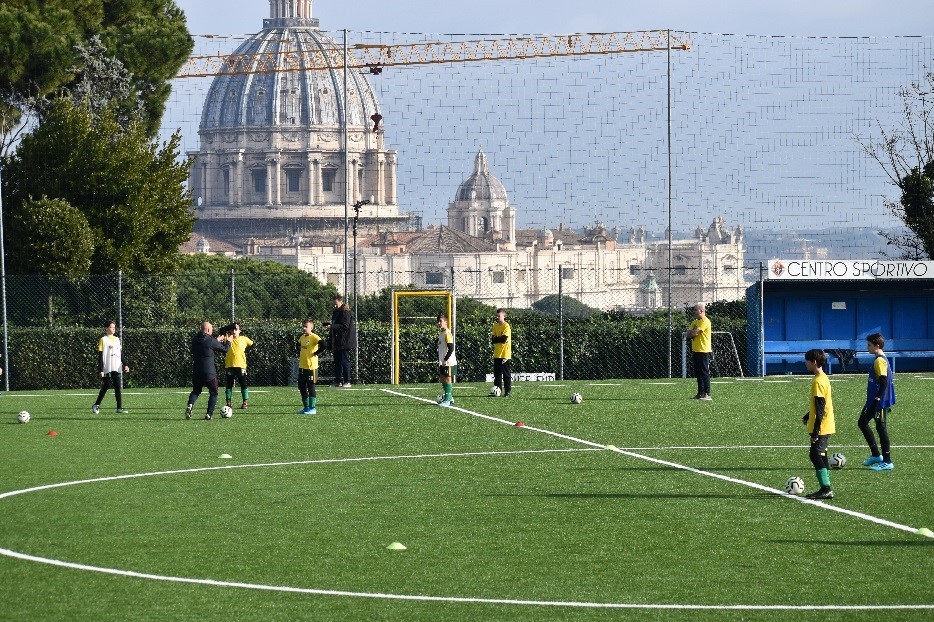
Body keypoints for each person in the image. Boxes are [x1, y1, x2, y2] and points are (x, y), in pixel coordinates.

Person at [801, 348, 835, 500]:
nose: (806, 364)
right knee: (822, 454)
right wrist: (809, 415)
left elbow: (820, 408)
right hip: (826, 424)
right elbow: (821, 404)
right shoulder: (823, 378)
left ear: (814, 362)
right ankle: (826, 486)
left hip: (821, 427)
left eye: (807, 361)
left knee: (815, 455)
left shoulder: (818, 381)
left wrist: (815, 432)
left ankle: (826, 488)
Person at [859, 332, 896, 471]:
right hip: (874, 400)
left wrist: (878, 398)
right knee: (862, 423)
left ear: (877, 345)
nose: (867, 347)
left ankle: (887, 461)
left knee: (881, 428)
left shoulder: (879, 360)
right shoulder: (878, 359)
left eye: (869, 345)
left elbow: (884, 382)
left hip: (879, 402)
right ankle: (876, 455)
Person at [185, 321, 228, 420]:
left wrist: (216, 340)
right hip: (209, 372)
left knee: (196, 391)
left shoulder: (195, 340)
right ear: (208, 329)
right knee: (214, 393)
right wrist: (228, 341)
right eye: (212, 329)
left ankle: (190, 405)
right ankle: (209, 414)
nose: (212, 331)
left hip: (197, 371)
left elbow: (208, 344)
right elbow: (225, 349)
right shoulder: (210, 340)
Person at [92, 320, 129, 414]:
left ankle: (119, 408)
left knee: (117, 386)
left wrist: (125, 364)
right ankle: (96, 405)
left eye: (114, 327)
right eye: (112, 327)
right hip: (106, 367)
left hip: (116, 366)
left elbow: (121, 354)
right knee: (106, 385)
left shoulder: (117, 339)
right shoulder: (103, 339)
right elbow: (100, 356)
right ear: (107, 328)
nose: (114, 329)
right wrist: (100, 369)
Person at [325, 295, 356, 388]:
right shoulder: (336, 312)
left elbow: (344, 326)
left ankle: (347, 381)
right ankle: (338, 381)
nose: (334, 306)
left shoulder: (345, 311)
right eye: (333, 304)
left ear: (340, 302)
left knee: (344, 361)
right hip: (337, 341)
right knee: (337, 361)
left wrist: (332, 326)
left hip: (344, 341)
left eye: (336, 304)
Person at [223, 323, 254, 409]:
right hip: (230, 365)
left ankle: (245, 402)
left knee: (243, 383)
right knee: (229, 384)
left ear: (239, 331)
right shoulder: (227, 338)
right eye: (232, 329)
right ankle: (228, 402)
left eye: (236, 329)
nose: (234, 331)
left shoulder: (244, 339)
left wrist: (245, 351)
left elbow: (253, 344)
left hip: (241, 365)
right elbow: (219, 338)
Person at [686, 302, 712, 400]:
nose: (694, 312)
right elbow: (688, 334)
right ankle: (700, 393)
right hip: (695, 350)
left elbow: (696, 333)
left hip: (703, 350)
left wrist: (693, 333)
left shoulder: (705, 321)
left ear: (701, 310)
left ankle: (707, 394)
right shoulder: (695, 321)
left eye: (695, 310)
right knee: (698, 373)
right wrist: (692, 333)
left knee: (704, 372)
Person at [296, 319, 321, 415]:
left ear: (311, 328)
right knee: (301, 386)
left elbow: (324, 344)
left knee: (310, 386)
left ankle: (312, 408)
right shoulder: (302, 337)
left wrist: (315, 353)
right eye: (303, 326)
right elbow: (297, 345)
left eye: (306, 326)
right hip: (302, 366)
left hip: (311, 367)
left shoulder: (314, 337)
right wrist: (300, 353)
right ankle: (306, 407)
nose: (304, 328)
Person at [436, 313, 457, 407]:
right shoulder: (441, 333)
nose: (439, 323)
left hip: (448, 361)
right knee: (442, 378)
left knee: (448, 379)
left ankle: (448, 400)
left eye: (441, 321)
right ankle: (449, 397)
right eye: (438, 321)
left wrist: (445, 359)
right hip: (443, 361)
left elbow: (451, 348)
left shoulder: (447, 333)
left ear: (446, 322)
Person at [491, 308, 512, 397]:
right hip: (497, 353)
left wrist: (498, 339)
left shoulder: (506, 326)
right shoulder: (495, 326)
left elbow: (504, 339)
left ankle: (507, 391)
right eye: (497, 315)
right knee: (497, 374)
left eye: (499, 316)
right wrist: (499, 339)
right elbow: (493, 340)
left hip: (505, 354)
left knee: (506, 374)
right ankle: (497, 390)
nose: (497, 317)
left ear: (504, 316)